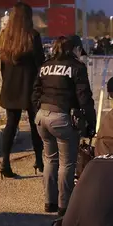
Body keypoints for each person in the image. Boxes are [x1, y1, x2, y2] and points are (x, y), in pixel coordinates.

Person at [32, 36, 96, 216]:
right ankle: (64, 206)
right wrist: (91, 123)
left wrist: (40, 108)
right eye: (79, 50)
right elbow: (85, 98)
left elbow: (35, 91)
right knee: (67, 164)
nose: (80, 54)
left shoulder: (45, 65)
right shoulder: (77, 67)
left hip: (42, 117)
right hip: (62, 119)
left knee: (50, 159)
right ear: (75, 49)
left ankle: (49, 202)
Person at [0, 2, 44, 178]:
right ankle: (39, 161)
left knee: (11, 124)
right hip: (30, 85)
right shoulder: (33, 36)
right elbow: (40, 62)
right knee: (35, 124)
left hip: (10, 85)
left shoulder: (4, 36)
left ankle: (5, 162)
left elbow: (2, 64)